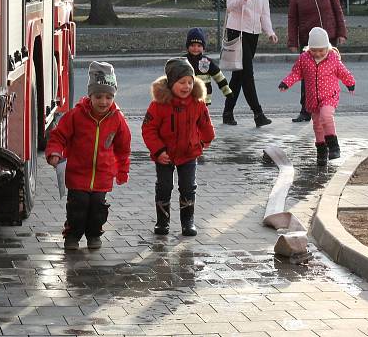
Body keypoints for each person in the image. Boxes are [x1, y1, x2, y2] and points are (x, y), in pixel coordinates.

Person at [45, 61, 131, 250]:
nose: (103, 102)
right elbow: (58, 136)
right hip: (77, 174)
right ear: (90, 95)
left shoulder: (117, 119)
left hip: (102, 175)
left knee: (98, 208)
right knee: (78, 207)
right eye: (98, 96)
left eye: (109, 97)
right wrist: (54, 153)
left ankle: (94, 234)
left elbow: (123, 148)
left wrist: (122, 170)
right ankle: (72, 235)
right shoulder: (76, 115)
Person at [142, 57, 215, 236]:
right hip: (165, 155)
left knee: (188, 186)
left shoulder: (197, 103)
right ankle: (162, 221)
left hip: (189, 154)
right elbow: (148, 129)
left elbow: (205, 124)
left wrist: (206, 141)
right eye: (182, 82)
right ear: (171, 83)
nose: (187, 86)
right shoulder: (159, 105)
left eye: (190, 82)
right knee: (164, 187)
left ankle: (187, 222)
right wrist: (158, 151)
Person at [279, 27, 355, 166]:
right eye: (314, 51)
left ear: (327, 47)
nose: (318, 54)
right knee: (317, 125)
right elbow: (296, 73)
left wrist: (350, 83)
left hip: (329, 96)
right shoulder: (304, 59)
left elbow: (344, 73)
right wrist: (286, 83)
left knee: (326, 116)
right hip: (313, 98)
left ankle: (333, 146)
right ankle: (321, 151)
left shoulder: (333, 59)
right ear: (309, 48)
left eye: (321, 50)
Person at [287, 0, 347, 122]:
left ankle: (327, 107)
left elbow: (338, 11)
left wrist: (342, 33)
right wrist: (293, 41)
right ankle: (305, 110)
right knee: (307, 76)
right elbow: (292, 18)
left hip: (329, 39)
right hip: (308, 41)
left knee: (327, 74)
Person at [221, 0, 278, 127]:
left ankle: (227, 112)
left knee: (238, 75)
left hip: (253, 33)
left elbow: (264, 12)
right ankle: (258, 113)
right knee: (247, 74)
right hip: (237, 31)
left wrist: (269, 32)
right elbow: (230, 6)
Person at [184, 27, 233, 106]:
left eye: (199, 46)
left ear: (203, 47)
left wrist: (226, 91)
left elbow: (219, 77)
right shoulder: (183, 61)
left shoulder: (207, 62)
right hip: (186, 97)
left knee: (202, 117)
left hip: (203, 97)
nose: (196, 48)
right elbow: (174, 78)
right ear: (187, 46)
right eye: (192, 45)